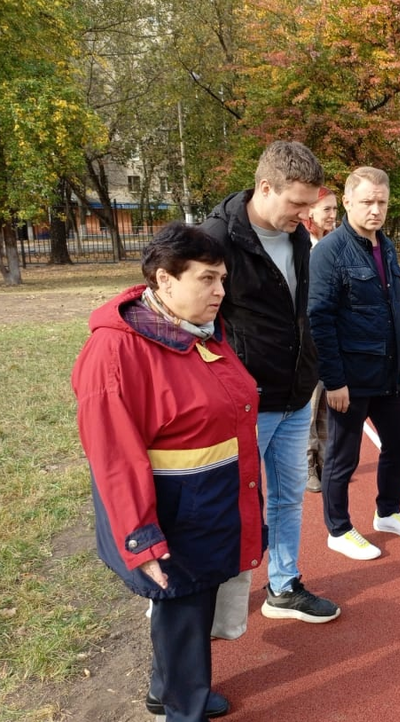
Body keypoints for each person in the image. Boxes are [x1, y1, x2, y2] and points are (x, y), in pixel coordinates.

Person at [72, 223, 264, 721]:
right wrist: (142, 538)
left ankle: (169, 690)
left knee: (191, 616)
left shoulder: (199, 331)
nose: (221, 291)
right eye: (207, 279)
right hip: (175, 522)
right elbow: (112, 455)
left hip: (211, 509)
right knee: (183, 616)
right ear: (165, 280)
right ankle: (184, 708)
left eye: (222, 278)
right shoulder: (116, 352)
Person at [201, 141, 340, 623]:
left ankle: (283, 586)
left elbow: (300, 312)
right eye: (297, 203)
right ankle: (208, 611)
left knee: (287, 497)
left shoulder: (299, 237)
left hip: (295, 394)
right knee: (231, 506)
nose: (306, 215)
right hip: (243, 404)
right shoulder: (215, 239)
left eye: (310, 204)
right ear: (265, 187)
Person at [308, 166, 400, 561]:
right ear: (346, 203)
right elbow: (319, 319)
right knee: (344, 457)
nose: (375, 210)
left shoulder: (386, 246)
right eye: (367, 202)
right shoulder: (328, 252)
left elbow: (399, 301)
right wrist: (334, 380)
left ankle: (388, 511)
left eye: (382, 202)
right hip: (351, 379)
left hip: (391, 373)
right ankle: (338, 530)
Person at [303, 186, 339, 493]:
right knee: (310, 406)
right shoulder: (303, 247)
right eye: (326, 209)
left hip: (332, 336)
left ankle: (326, 461)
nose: (332, 215)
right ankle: (307, 465)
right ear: (310, 213)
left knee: (328, 405)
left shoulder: (334, 245)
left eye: (335, 210)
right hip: (308, 338)